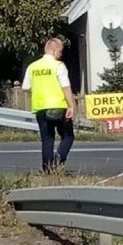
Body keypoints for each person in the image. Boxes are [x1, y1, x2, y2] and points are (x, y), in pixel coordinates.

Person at [22, 38, 76, 172]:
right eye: (60, 51)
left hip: (40, 107)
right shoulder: (58, 66)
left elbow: (26, 87)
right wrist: (71, 106)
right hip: (58, 106)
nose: (61, 54)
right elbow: (65, 87)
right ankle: (58, 162)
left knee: (47, 139)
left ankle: (47, 169)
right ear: (53, 50)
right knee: (68, 136)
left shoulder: (33, 66)